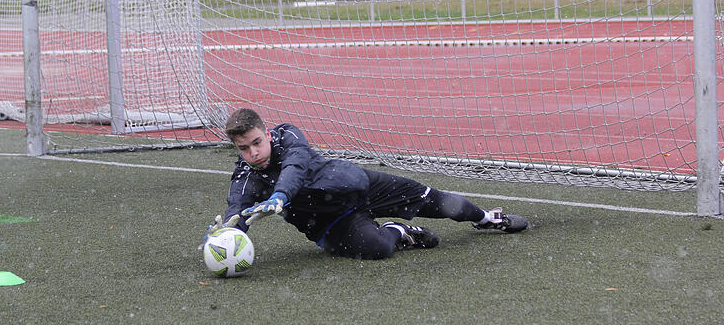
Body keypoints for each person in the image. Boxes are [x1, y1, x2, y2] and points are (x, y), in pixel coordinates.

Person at [203, 108, 529, 260]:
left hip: (361, 186)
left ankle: (487, 218)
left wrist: (281, 195)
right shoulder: (246, 175)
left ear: (266, 133)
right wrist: (228, 237)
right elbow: (238, 209)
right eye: (244, 148)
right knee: (379, 249)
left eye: (257, 142)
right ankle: (400, 232)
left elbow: (296, 165)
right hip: (331, 222)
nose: (253, 152)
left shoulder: (287, 135)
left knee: (443, 203)